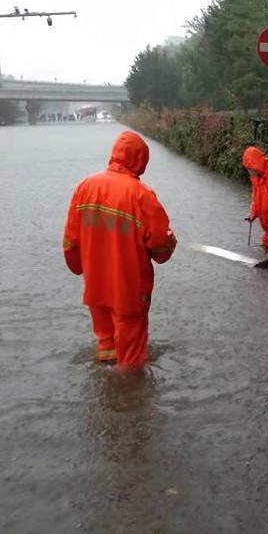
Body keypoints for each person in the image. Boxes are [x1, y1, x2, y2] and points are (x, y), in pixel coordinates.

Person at [63, 131, 177, 370]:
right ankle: (130, 395)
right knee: (132, 358)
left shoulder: (85, 187)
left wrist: (78, 267)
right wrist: (170, 242)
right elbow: (160, 247)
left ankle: (106, 390)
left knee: (106, 345)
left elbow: (70, 241)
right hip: (128, 288)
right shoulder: (141, 195)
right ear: (140, 159)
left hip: (96, 285)